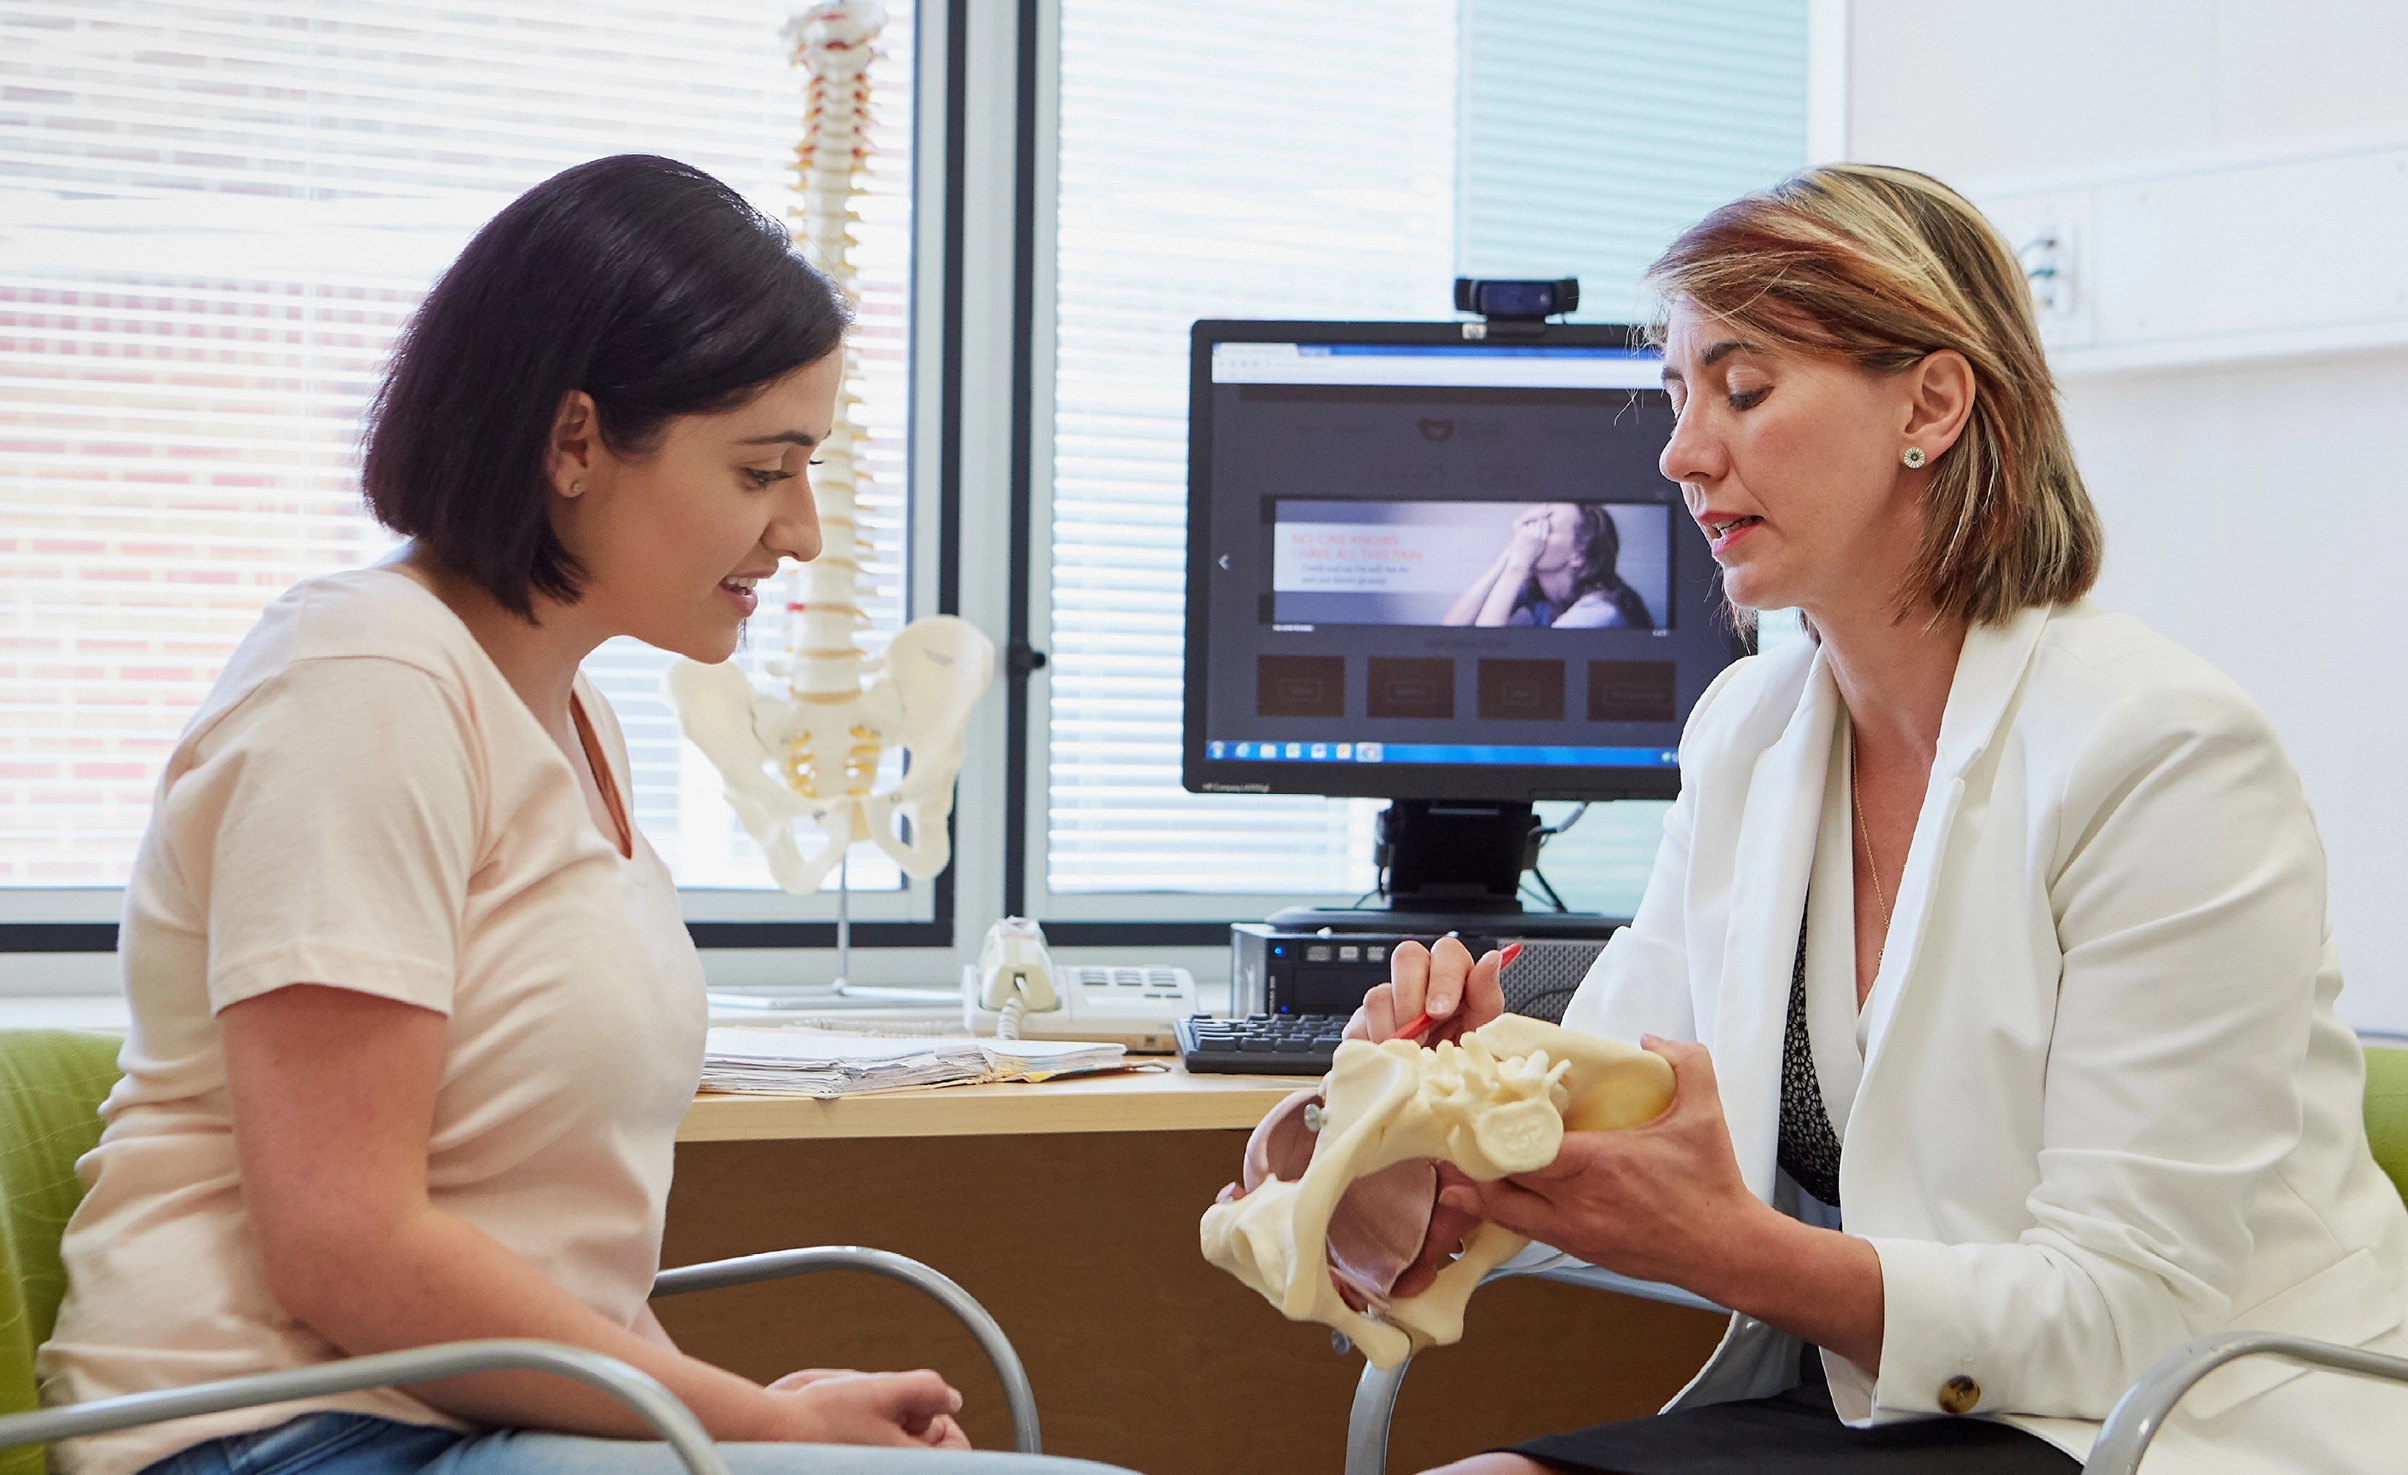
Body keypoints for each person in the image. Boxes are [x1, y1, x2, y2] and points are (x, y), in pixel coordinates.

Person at [38, 156, 1127, 1475]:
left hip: (463, 1419)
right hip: (282, 1434)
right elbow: (345, 1244)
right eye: (760, 469)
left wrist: (734, 1406)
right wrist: (756, 1421)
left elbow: (533, 1237)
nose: (801, 531)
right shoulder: (366, 680)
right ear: (573, 442)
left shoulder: (568, 715)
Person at [1351, 165, 2408, 1474]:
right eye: (1680, 396)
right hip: (1890, 1394)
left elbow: (2130, 1307)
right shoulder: (1749, 731)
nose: (1682, 452)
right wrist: (1436, 1108)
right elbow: (1611, 1120)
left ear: (1933, 401)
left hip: (2160, 1415)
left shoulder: (2163, 751)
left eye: (1743, 387)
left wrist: (1732, 1245)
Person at [1441, 502, 1655, 629]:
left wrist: (1518, 565)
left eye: (1545, 528)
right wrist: (1507, 555)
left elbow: (1486, 649)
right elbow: (1450, 630)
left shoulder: (1600, 613)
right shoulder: (1540, 595)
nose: (1528, 538)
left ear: (1579, 553)